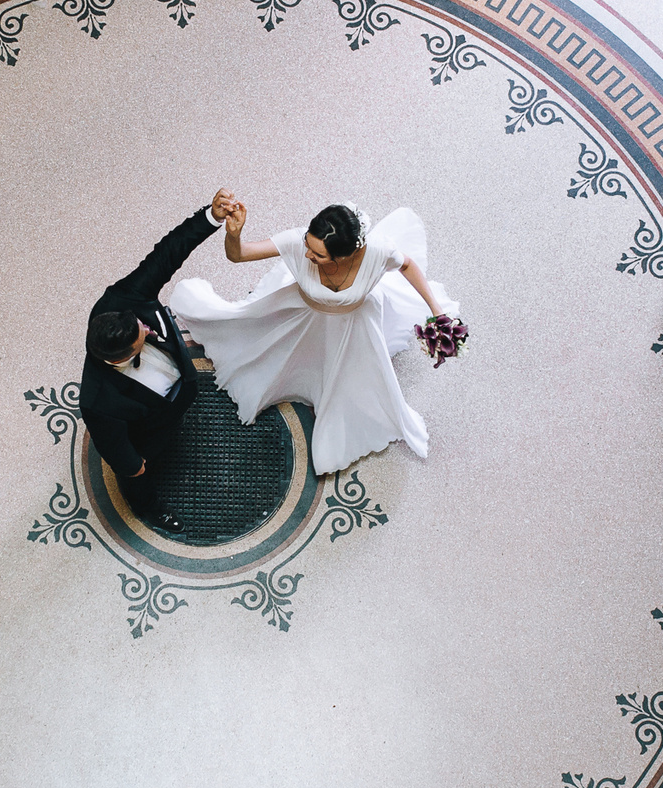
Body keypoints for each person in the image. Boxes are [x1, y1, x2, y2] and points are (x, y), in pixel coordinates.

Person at [171, 200, 458, 475]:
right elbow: (239, 255)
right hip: (303, 316)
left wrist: (437, 312)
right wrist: (234, 235)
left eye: (318, 255)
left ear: (347, 255)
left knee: (351, 383)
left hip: (355, 325)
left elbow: (407, 265)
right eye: (309, 245)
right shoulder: (298, 242)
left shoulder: (379, 252)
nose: (307, 254)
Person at [79, 189, 235, 533]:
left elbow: (166, 254)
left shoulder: (123, 299)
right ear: (124, 356)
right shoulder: (97, 402)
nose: (150, 328)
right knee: (137, 476)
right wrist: (138, 467)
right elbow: (125, 460)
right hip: (150, 432)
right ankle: (149, 509)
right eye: (142, 336)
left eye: (142, 324)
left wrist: (209, 216)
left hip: (179, 393)